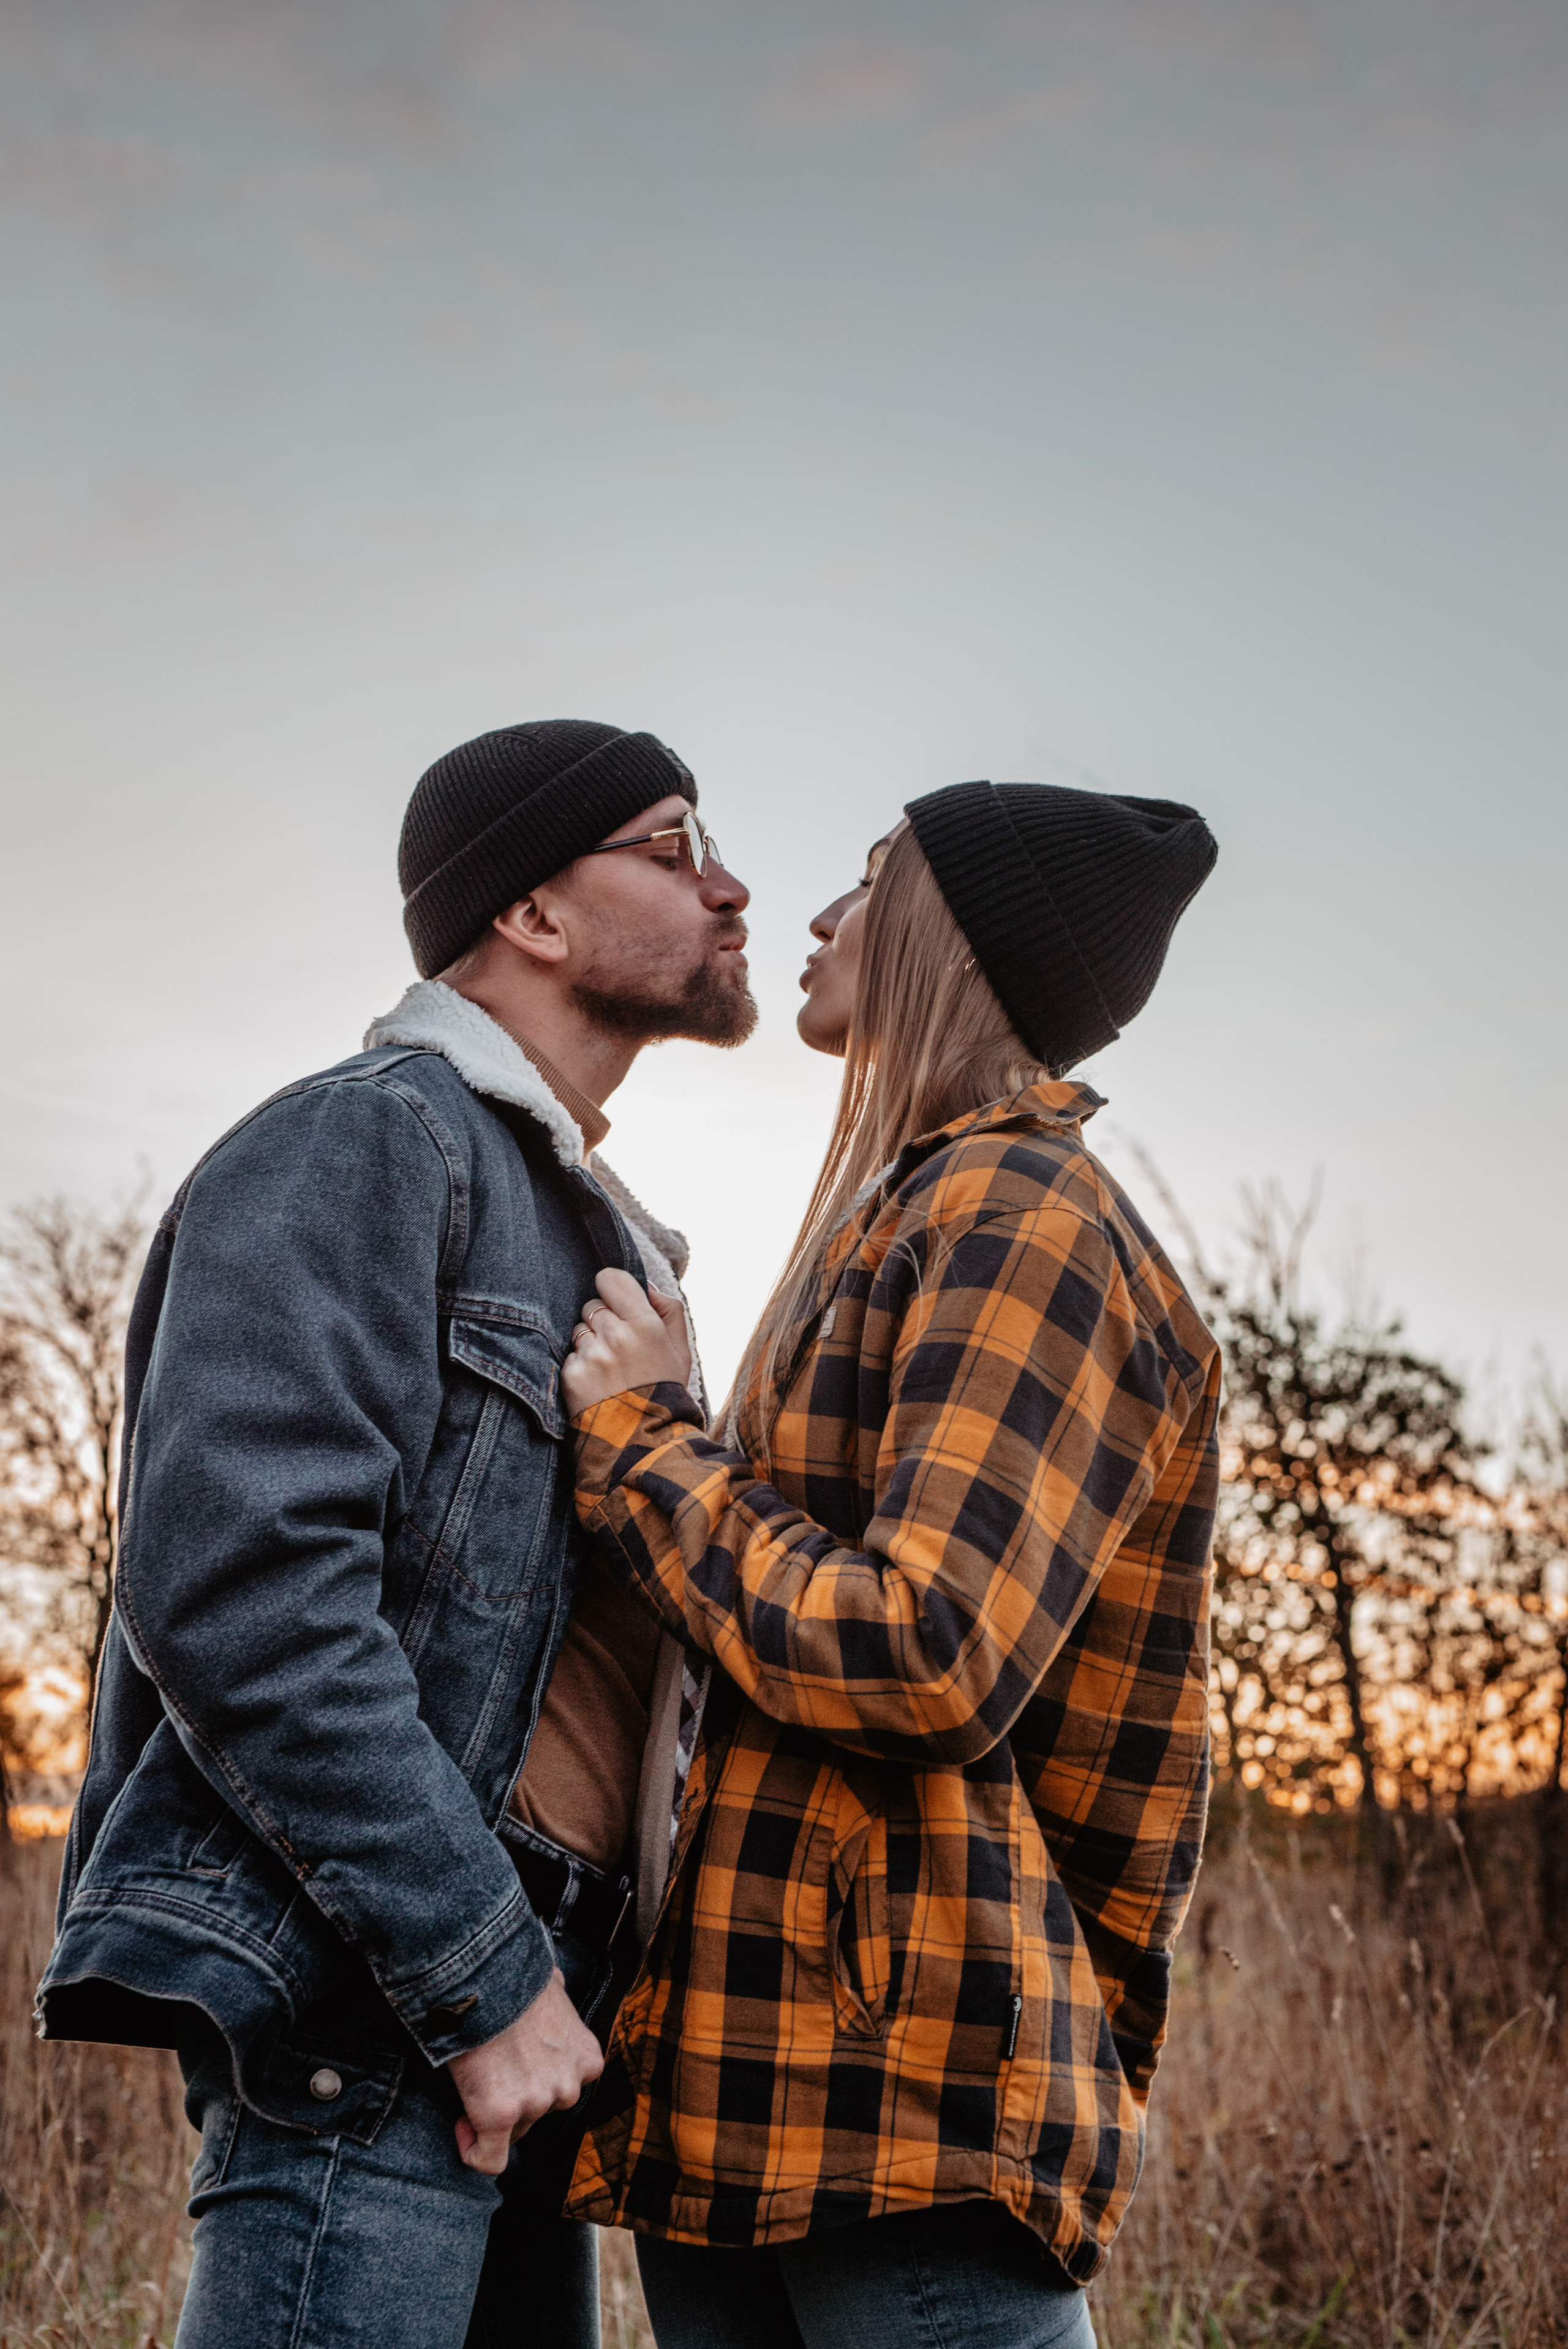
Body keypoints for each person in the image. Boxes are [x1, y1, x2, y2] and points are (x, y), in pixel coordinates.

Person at [36, 719, 753, 2349]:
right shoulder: (367, 1142)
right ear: (535, 917)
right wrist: (481, 1977)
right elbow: (243, 1590)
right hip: (389, 2007)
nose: (730, 884)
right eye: (669, 841)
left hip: (521, 2008)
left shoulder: (583, 1226)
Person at [557, 778, 1223, 2349]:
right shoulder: (910, 1212)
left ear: (948, 935)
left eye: (869, 882)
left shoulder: (1020, 1211)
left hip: (896, 2089)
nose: (817, 917)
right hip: (738, 2075)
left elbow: (924, 1653)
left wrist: (648, 1446)